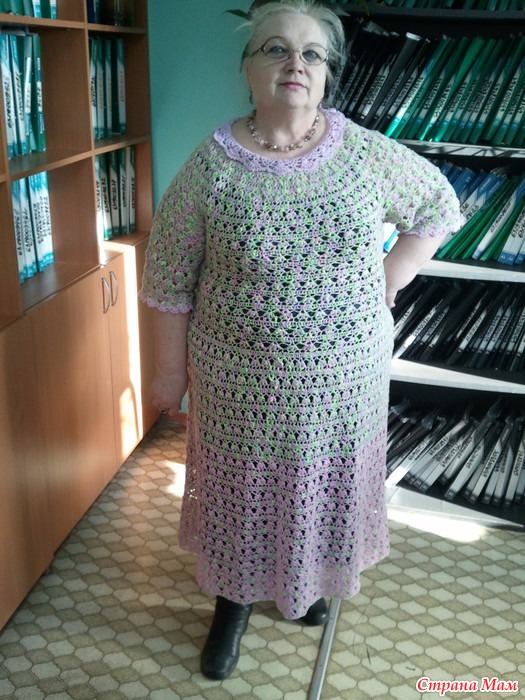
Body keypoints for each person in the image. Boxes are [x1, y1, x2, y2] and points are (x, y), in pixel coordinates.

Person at [140, 0, 462, 681]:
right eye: (276, 48)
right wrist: (167, 374)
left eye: (312, 53)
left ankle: (305, 581)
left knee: (319, 483)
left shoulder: (364, 153)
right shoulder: (212, 165)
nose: (295, 63)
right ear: (247, 69)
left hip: (346, 378)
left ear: (326, 74)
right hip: (239, 381)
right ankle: (233, 603)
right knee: (243, 492)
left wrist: (391, 276)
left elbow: (438, 206)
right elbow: (168, 277)